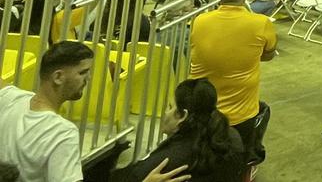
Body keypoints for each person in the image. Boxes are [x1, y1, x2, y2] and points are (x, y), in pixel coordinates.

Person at [190, 0, 276, 163]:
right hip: (240, 116)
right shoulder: (261, 23)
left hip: (201, 108)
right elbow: (269, 54)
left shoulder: (199, 20)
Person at [111, 78, 244, 182]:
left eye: (170, 107)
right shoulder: (231, 137)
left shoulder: (165, 163)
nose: (166, 113)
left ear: (182, 116)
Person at [0, 41, 92, 182]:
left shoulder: (10, 98)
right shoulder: (63, 133)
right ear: (58, 77)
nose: (88, 79)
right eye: (83, 72)